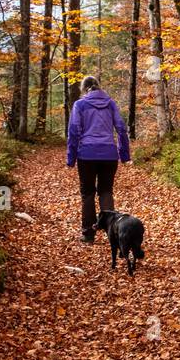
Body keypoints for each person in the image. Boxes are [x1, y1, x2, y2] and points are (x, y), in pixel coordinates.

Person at [66, 76, 132, 243]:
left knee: (87, 194)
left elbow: (73, 131)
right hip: (109, 155)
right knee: (106, 192)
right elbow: (121, 129)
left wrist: (71, 158)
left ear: (84, 88)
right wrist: (124, 155)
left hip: (86, 155)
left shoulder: (80, 105)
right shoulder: (110, 103)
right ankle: (113, 233)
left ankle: (88, 234)